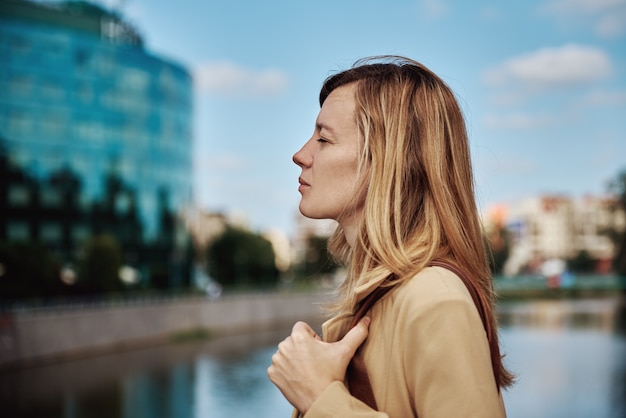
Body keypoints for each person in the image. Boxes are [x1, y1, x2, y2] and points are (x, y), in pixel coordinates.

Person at [267, 56, 514, 417]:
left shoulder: (434, 300)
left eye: (323, 138)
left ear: (384, 160)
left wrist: (322, 399)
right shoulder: (381, 297)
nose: (300, 154)